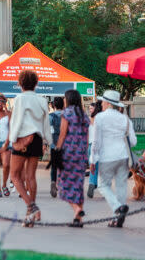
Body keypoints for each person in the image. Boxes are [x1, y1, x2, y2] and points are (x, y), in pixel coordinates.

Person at [8, 69, 51, 227]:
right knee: (31, 177)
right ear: (36, 83)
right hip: (37, 138)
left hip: (22, 138)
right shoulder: (42, 100)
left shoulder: (19, 98)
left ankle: (30, 206)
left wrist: (13, 139)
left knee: (15, 176)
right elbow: (46, 123)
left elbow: (16, 121)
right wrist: (47, 141)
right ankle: (29, 216)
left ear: (20, 83)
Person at [91, 90, 137, 228]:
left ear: (107, 103)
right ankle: (117, 217)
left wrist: (93, 160)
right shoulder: (125, 119)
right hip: (123, 156)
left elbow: (96, 142)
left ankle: (118, 207)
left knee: (102, 184)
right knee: (121, 187)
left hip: (107, 157)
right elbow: (133, 141)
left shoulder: (100, 118)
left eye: (102, 102)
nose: (101, 104)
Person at [55, 89, 90, 227]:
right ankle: (78, 219)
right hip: (81, 154)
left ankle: (77, 209)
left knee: (63, 184)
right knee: (78, 186)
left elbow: (62, 134)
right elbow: (86, 137)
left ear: (68, 99)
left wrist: (57, 150)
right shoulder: (84, 115)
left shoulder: (67, 113)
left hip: (68, 153)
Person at [49, 96, 65, 198]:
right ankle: (63, 186)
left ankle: (53, 182)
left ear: (53, 105)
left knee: (54, 165)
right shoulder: (67, 115)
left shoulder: (50, 116)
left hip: (54, 144)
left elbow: (49, 131)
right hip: (65, 144)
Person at [87, 100, 103, 198]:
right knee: (100, 167)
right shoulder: (102, 119)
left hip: (90, 145)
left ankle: (93, 183)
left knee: (93, 166)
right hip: (101, 145)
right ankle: (96, 184)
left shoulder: (89, 119)